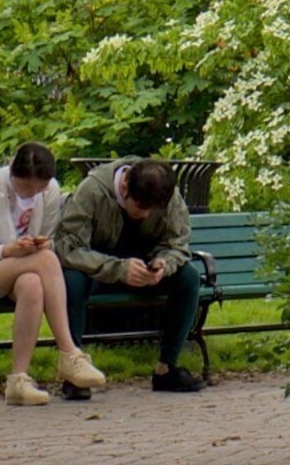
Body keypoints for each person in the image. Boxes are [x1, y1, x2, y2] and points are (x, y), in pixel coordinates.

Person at [0, 142, 106, 405]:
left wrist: (40, 244)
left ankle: (18, 380)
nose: (33, 193)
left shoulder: (50, 190)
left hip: (23, 266)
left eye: (39, 188)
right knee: (45, 260)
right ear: (13, 173)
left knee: (33, 284)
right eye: (25, 187)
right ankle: (69, 352)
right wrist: (7, 250)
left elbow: (47, 238)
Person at [52, 158, 208, 393]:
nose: (146, 215)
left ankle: (167, 368)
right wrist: (118, 269)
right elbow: (69, 248)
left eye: (153, 211)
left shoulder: (167, 194)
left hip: (143, 270)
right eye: (142, 208)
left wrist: (164, 263)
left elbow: (177, 243)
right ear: (124, 187)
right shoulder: (92, 190)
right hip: (97, 271)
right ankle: (75, 374)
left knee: (188, 277)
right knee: (71, 281)